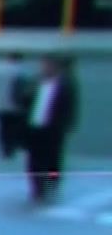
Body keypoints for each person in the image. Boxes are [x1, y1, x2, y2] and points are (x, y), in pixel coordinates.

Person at [25, 53, 78, 203]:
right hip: (35, 127)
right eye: (43, 65)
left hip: (53, 129)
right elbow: (24, 101)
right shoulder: (35, 82)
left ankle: (50, 185)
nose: (45, 68)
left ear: (56, 67)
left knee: (52, 161)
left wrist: (67, 124)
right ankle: (37, 188)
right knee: (34, 159)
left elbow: (70, 107)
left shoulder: (65, 85)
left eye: (49, 65)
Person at [0, 51, 32, 161]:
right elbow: (24, 89)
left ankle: (4, 149)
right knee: (14, 129)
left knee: (3, 129)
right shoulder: (21, 71)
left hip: (0, 105)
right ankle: (12, 148)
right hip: (15, 106)